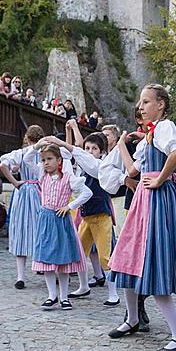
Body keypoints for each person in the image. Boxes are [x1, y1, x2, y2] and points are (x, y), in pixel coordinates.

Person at [109, 84, 176, 351]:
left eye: (147, 101)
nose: (141, 106)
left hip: (157, 201)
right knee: (126, 258)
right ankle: (132, 319)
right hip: (144, 203)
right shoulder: (151, 134)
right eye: (140, 102)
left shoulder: (166, 126)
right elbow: (133, 169)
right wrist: (123, 144)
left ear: (161, 104)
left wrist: (160, 178)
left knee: (152, 263)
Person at [41, 120, 122, 304]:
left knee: (104, 255)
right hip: (86, 217)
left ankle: (113, 293)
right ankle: (84, 286)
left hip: (102, 216)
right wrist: (67, 133)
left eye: (94, 148)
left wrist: (66, 138)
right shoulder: (83, 168)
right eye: (88, 148)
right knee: (78, 253)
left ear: (102, 152)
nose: (90, 152)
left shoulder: (101, 167)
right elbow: (69, 156)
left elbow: (78, 153)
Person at [29, 142, 92, 311]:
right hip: (46, 220)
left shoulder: (68, 178)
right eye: (43, 160)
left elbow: (87, 193)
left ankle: (64, 297)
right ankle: (52, 296)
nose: (46, 163)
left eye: (49, 159)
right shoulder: (42, 175)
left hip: (61, 220)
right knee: (47, 259)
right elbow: (27, 159)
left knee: (63, 261)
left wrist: (70, 207)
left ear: (59, 160)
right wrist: (37, 146)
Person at [0, 126, 54, 289]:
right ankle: (46, 270)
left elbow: (3, 164)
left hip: (23, 193)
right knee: (43, 230)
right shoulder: (45, 153)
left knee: (21, 230)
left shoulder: (22, 152)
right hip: (41, 191)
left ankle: (20, 276)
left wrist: (15, 182)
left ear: (27, 138)